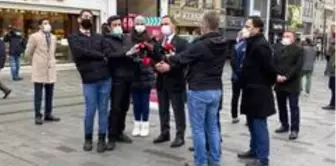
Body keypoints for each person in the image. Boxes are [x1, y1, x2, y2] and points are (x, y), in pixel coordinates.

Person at [156, 11, 226, 166]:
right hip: (215, 90)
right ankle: (214, 161)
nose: (200, 25)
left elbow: (182, 58)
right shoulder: (223, 42)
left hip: (199, 90)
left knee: (198, 130)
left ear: (206, 25)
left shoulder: (201, 44)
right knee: (213, 128)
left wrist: (168, 58)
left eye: (201, 22)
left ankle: (200, 162)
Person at [68, 10, 111, 153]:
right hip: (89, 79)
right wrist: (99, 56)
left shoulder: (99, 37)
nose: (88, 19)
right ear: (79, 19)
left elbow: (107, 53)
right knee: (90, 110)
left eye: (90, 18)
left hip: (105, 78)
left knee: (104, 110)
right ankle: (88, 138)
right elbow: (79, 53)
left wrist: (95, 56)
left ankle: (101, 139)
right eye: (85, 17)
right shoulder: (73, 37)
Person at [237, 16, 277, 166]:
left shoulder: (261, 45)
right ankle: (254, 150)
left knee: (259, 125)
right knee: (252, 123)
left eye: (248, 26)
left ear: (257, 28)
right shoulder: (251, 43)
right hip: (250, 90)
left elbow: (270, 69)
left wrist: (266, 83)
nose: (245, 28)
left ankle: (262, 158)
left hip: (259, 91)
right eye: (245, 25)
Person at [151, 15, 188, 148]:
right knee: (163, 109)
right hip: (161, 81)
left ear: (174, 26)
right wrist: (155, 66)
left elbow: (184, 61)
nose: (164, 26)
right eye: (162, 24)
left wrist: (170, 67)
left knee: (178, 109)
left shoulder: (182, 43)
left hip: (176, 81)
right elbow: (153, 58)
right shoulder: (158, 42)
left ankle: (180, 135)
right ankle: (164, 132)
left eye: (166, 23)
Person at [102, 15, 138, 151]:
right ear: (110, 27)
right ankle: (111, 136)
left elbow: (133, 50)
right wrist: (126, 53)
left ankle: (120, 132)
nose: (118, 27)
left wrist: (135, 54)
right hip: (116, 78)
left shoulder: (127, 38)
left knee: (124, 107)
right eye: (115, 25)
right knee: (115, 108)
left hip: (129, 76)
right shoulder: (106, 40)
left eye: (119, 24)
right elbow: (110, 56)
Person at [25, 18, 60, 125]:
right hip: (39, 68)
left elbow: (52, 52)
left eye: (48, 23)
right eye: (45, 23)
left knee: (50, 93)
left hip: (50, 68)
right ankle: (37, 116)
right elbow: (28, 53)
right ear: (40, 26)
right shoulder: (34, 36)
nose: (47, 25)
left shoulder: (53, 37)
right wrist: (34, 62)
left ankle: (48, 114)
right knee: (38, 94)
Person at [274, 31, 304, 140]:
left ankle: (294, 129)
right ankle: (284, 124)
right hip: (279, 82)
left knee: (293, 107)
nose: (285, 38)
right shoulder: (277, 48)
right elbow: (273, 63)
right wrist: (276, 75)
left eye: (288, 36)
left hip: (292, 83)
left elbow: (297, 66)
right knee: (281, 105)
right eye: (284, 36)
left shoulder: (299, 50)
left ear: (293, 38)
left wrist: (286, 76)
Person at [129, 16, 155, 137]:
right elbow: (126, 53)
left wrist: (149, 50)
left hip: (146, 74)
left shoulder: (149, 39)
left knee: (145, 101)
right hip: (133, 74)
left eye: (141, 23)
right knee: (136, 102)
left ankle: (145, 124)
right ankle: (136, 124)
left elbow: (155, 55)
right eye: (137, 23)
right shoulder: (129, 38)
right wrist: (132, 53)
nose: (139, 25)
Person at [230, 30, 247, 124]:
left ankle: (234, 116)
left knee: (235, 96)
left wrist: (238, 72)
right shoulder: (250, 45)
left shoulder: (236, 46)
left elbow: (233, 62)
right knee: (247, 97)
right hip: (246, 77)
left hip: (236, 77)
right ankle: (248, 117)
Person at [322, 35, 336, 111]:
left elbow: (327, 56)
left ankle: (333, 104)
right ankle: (333, 103)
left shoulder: (333, 49)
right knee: (333, 87)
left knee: (333, 87)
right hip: (333, 72)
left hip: (334, 72)